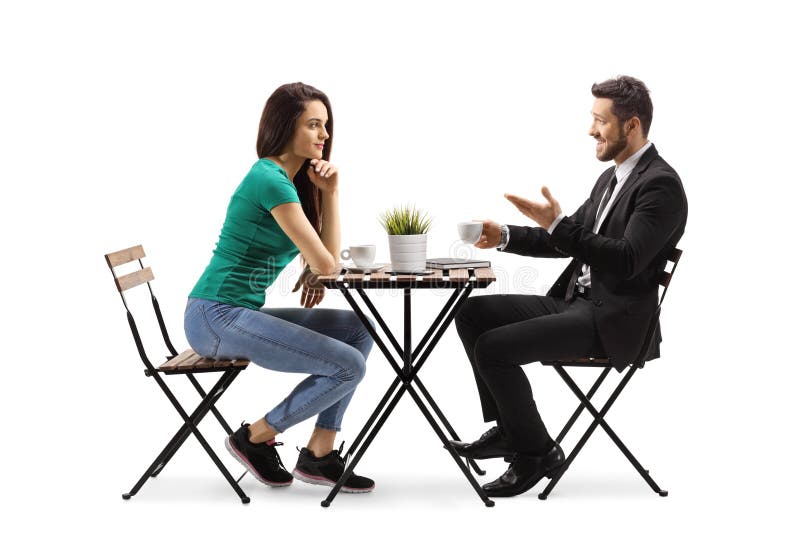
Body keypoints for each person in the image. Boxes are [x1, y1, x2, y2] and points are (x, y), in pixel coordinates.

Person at [449, 75, 688, 498]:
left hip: (611, 321)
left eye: (601, 121)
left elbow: (627, 259)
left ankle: (534, 453)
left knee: (493, 348)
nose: (591, 130)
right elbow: (566, 238)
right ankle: (512, 431)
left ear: (631, 125)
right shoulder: (612, 179)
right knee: (472, 313)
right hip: (577, 305)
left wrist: (559, 226)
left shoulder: (660, 185)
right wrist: (505, 234)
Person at [184, 82, 375, 494]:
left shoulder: (288, 181)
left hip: (236, 312)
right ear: (285, 127)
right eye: (313, 125)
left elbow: (324, 259)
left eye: (326, 126)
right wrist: (333, 194)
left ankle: (319, 453)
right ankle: (253, 437)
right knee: (348, 365)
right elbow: (327, 264)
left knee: (358, 329)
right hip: (214, 317)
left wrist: (327, 195)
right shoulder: (269, 178)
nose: (324, 135)